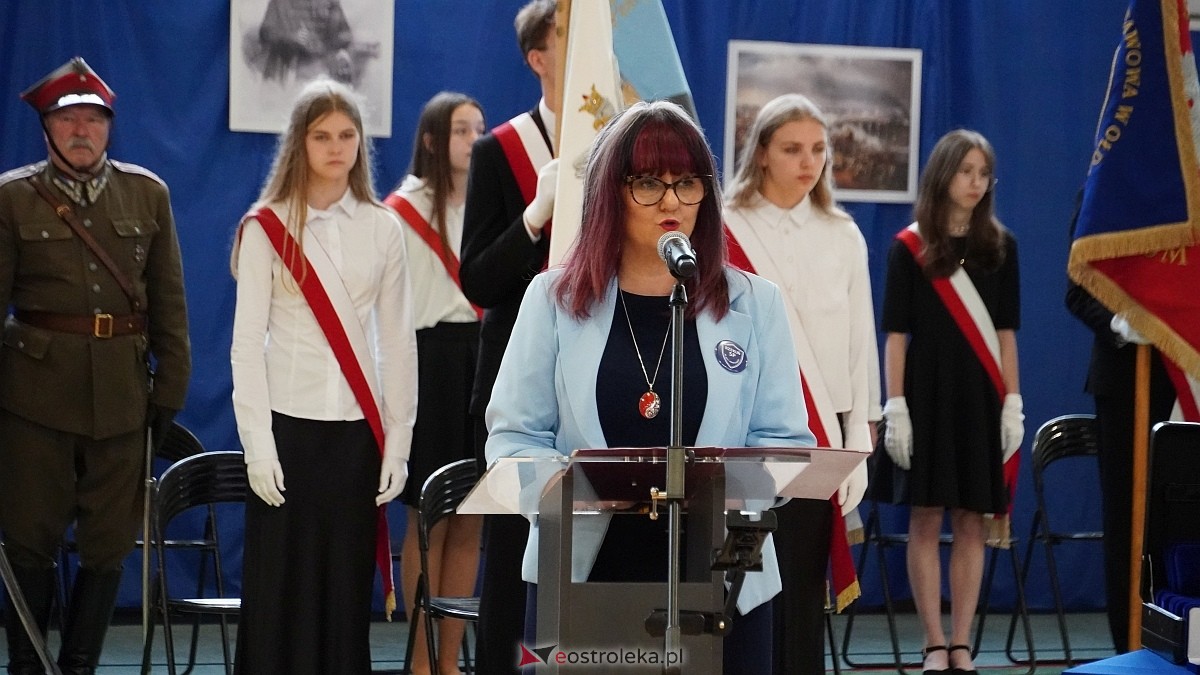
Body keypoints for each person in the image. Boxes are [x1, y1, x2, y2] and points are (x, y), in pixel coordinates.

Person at [485, 99, 817, 673]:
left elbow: (784, 440)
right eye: (647, 183)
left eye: (687, 182)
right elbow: (513, 438)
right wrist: (571, 490)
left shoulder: (753, 304)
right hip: (584, 569)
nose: (670, 201)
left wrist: (736, 485)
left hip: (723, 579)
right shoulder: (552, 299)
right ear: (609, 193)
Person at [0, 57, 191, 675]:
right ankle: (30, 664)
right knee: (29, 541)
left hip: (122, 397)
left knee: (108, 547)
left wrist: (170, 393)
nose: (82, 130)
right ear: (48, 128)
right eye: (69, 119)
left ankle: (78, 666)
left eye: (94, 119)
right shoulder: (12, 198)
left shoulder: (147, 193)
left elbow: (170, 305)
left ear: (110, 128)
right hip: (33, 400)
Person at [229, 78, 417, 675]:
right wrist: (257, 448)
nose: (336, 147)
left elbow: (398, 342)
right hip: (287, 430)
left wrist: (399, 442)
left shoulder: (384, 228)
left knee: (343, 590)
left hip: (357, 437)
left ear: (360, 143)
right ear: (299, 144)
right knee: (279, 583)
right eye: (321, 136)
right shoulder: (266, 227)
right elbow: (244, 347)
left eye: (347, 135)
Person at [723, 93, 878, 675]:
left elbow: (860, 344)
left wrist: (857, 441)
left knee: (804, 594)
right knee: (749, 591)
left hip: (823, 438)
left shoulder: (843, 234)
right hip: (747, 436)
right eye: (792, 149)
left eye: (818, 149)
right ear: (761, 153)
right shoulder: (726, 224)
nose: (808, 161)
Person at [877, 130, 1022, 675]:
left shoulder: (1001, 248)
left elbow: (1007, 334)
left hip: (982, 399)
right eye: (965, 171)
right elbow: (894, 335)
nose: (975, 182)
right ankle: (932, 643)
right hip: (926, 397)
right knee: (924, 519)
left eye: (984, 173)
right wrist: (895, 407)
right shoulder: (908, 248)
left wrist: (1014, 402)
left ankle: (961, 643)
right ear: (942, 175)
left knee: (970, 520)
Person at [459, 1, 559, 671]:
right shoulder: (502, 150)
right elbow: (477, 280)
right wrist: (533, 218)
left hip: (609, 371)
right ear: (538, 58)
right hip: (519, 376)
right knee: (508, 554)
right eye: (570, 41)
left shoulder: (629, 149)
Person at [383, 91, 485, 675]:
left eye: (480, 128)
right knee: (429, 520)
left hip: (480, 358)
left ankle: (450, 661)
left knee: (472, 517)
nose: (476, 140)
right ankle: (420, 662)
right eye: (462, 130)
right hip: (429, 361)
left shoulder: (489, 201)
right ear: (431, 140)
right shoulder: (403, 209)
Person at [1065, 265, 1174, 653]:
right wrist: (1119, 325)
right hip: (1128, 378)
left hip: (1191, 373)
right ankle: (1129, 649)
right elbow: (1077, 288)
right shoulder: (1109, 202)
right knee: (1128, 524)